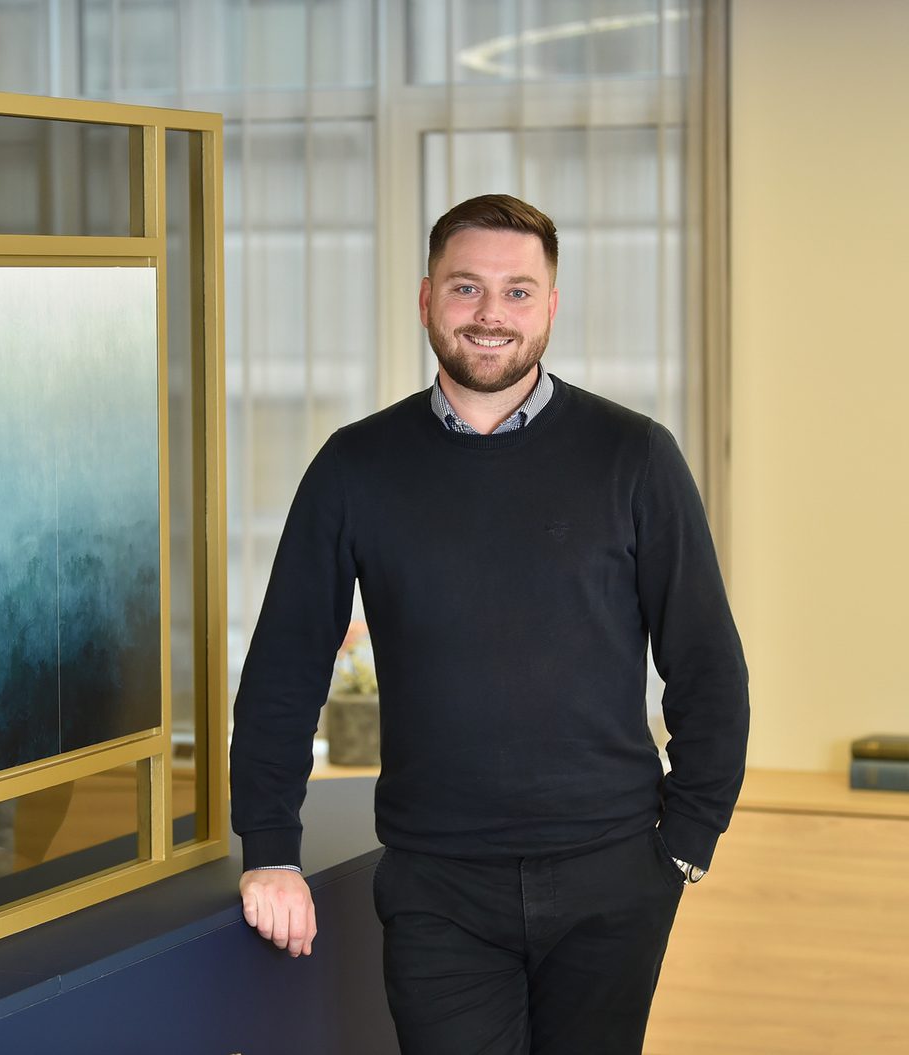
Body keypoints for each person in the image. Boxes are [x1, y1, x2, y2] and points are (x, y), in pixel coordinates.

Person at [230, 194, 749, 1054]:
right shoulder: (354, 466)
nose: (490, 314)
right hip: (438, 884)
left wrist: (688, 841)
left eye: (517, 291)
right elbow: (285, 665)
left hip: (614, 874)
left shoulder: (635, 456)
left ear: (551, 306)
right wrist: (270, 846)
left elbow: (707, 664)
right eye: (467, 288)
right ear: (427, 297)